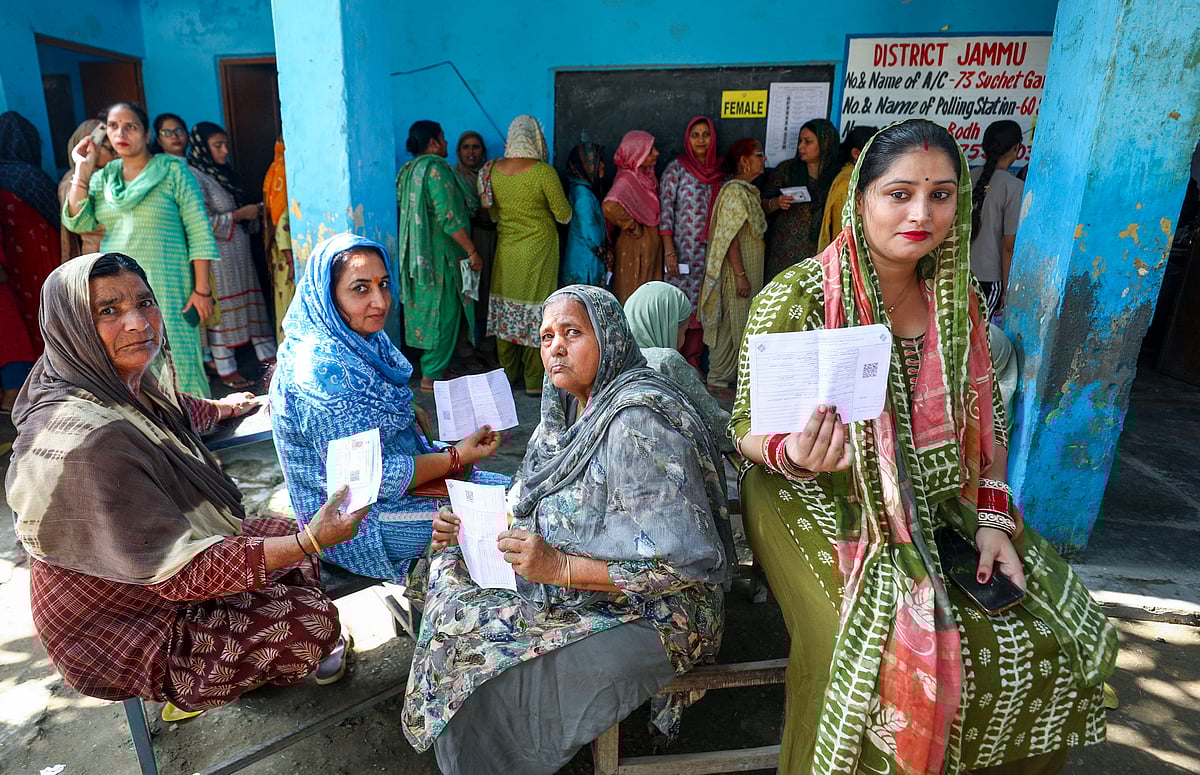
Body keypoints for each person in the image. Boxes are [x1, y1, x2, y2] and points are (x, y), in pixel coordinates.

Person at [731, 119, 1118, 775]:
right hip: (807, 492)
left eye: (940, 195)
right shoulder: (795, 297)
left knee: (1047, 634)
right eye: (900, 193)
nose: (921, 212)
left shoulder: (956, 303)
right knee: (869, 646)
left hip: (938, 492)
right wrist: (795, 451)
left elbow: (986, 436)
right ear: (861, 199)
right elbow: (744, 426)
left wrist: (995, 524)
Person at [6, 252, 366, 724]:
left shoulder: (118, 384)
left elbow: (170, 412)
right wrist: (308, 539)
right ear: (70, 326)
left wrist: (223, 409)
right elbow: (180, 574)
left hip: (160, 569)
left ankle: (247, 660)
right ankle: (196, 685)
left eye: (145, 302)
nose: (137, 323)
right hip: (123, 625)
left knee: (299, 555)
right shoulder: (85, 443)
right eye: (108, 311)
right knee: (310, 620)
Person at [403, 284, 733, 775]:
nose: (554, 346)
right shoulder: (562, 414)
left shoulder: (637, 423)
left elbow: (685, 564)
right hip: (573, 585)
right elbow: (526, 497)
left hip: (657, 611)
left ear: (610, 338)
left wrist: (559, 566)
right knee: (449, 577)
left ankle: (496, 757)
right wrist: (471, 526)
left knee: (489, 659)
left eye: (572, 333)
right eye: (546, 336)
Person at [270, 233, 506, 582]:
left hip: (402, 489)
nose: (380, 301)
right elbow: (367, 481)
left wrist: (435, 438)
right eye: (360, 289)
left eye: (383, 284)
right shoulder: (319, 372)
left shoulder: (361, 340)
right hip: (355, 522)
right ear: (327, 295)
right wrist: (455, 457)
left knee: (517, 495)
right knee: (501, 518)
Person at [63, 102, 218, 397]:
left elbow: (199, 231)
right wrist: (83, 167)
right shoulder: (103, 179)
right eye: (113, 126)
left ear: (146, 134)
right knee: (131, 362)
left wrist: (202, 291)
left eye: (130, 126)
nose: (120, 133)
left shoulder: (173, 172)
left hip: (170, 288)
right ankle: (149, 439)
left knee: (179, 362)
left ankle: (195, 430)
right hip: (117, 290)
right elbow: (78, 219)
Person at [479, 115, 571, 395]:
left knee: (507, 312)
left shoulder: (491, 169)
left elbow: (492, 213)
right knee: (537, 312)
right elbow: (564, 215)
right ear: (535, 138)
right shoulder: (543, 172)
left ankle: (508, 377)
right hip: (539, 251)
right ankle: (534, 382)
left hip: (507, 250)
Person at [395, 120, 482, 392]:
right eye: (443, 138)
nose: (446, 143)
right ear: (433, 142)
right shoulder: (436, 170)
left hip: (418, 256)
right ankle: (431, 376)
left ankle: (435, 369)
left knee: (428, 311)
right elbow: (449, 216)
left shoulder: (408, 171)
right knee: (443, 315)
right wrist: (471, 249)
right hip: (441, 258)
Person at [188, 121, 275, 389]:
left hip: (239, 253)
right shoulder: (194, 177)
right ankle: (226, 369)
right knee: (224, 311)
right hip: (216, 258)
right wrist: (239, 215)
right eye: (217, 145)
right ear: (203, 148)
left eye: (225, 144)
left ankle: (270, 359)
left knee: (250, 305)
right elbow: (199, 221)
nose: (225, 150)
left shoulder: (224, 174)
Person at [625, 281, 733, 453]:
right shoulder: (666, 361)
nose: (684, 337)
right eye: (684, 330)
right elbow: (714, 424)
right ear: (669, 326)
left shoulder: (618, 357)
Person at [699, 138, 767, 401]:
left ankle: (718, 380)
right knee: (737, 324)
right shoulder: (735, 193)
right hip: (738, 274)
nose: (764, 160)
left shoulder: (746, 192)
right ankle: (723, 379)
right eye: (759, 155)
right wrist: (740, 275)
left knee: (730, 324)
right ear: (744, 161)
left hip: (746, 273)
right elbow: (731, 239)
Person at [659, 117, 725, 368]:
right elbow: (666, 213)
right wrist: (669, 253)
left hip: (711, 256)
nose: (700, 140)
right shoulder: (676, 169)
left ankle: (695, 364)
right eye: (695, 135)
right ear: (687, 139)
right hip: (682, 256)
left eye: (705, 134)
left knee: (704, 309)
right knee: (680, 309)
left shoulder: (721, 172)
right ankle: (674, 363)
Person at [0, 111, 62, 354]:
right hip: (40, 253)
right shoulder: (30, 176)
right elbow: (59, 215)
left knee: (26, 313)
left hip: (11, 260)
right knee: (51, 308)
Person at [763, 118, 839, 281]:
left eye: (808, 142)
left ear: (825, 143)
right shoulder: (787, 170)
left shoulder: (837, 176)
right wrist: (776, 203)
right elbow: (761, 206)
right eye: (800, 141)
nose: (800, 147)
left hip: (819, 252)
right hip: (783, 252)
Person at [971, 120, 1026, 318]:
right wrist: (1006, 290)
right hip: (990, 279)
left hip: (962, 274)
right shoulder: (1014, 187)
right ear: (1017, 148)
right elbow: (1009, 246)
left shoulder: (969, 177)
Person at [603, 130, 662, 304]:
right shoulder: (627, 180)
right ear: (637, 153)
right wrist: (631, 224)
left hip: (649, 251)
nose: (656, 153)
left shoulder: (645, 178)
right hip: (634, 250)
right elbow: (609, 206)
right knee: (633, 298)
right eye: (650, 150)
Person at [454, 130, 498, 352]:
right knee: (468, 294)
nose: (471, 152)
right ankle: (466, 350)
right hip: (465, 243)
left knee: (490, 292)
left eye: (476, 147)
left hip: (489, 239)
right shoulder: (454, 179)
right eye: (466, 147)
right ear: (458, 152)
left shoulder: (491, 176)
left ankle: (487, 349)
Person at [57, 119, 115, 262]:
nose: (116, 154)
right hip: (97, 256)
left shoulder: (113, 174)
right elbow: (79, 222)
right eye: (110, 149)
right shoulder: (72, 181)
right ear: (89, 147)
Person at [817, 124, 877, 250]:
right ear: (856, 153)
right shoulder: (848, 183)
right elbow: (845, 230)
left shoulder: (858, 177)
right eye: (876, 152)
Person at [560, 139, 608, 286]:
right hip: (585, 261)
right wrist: (604, 253)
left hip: (581, 258)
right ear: (586, 166)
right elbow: (590, 230)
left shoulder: (580, 190)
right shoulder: (584, 196)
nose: (603, 165)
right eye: (598, 162)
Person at [263, 136, 294, 342]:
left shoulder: (272, 173)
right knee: (289, 306)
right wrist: (291, 262)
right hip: (286, 259)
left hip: (280, 259)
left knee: (284, 304)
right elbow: (282, 222)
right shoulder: (284, 174)